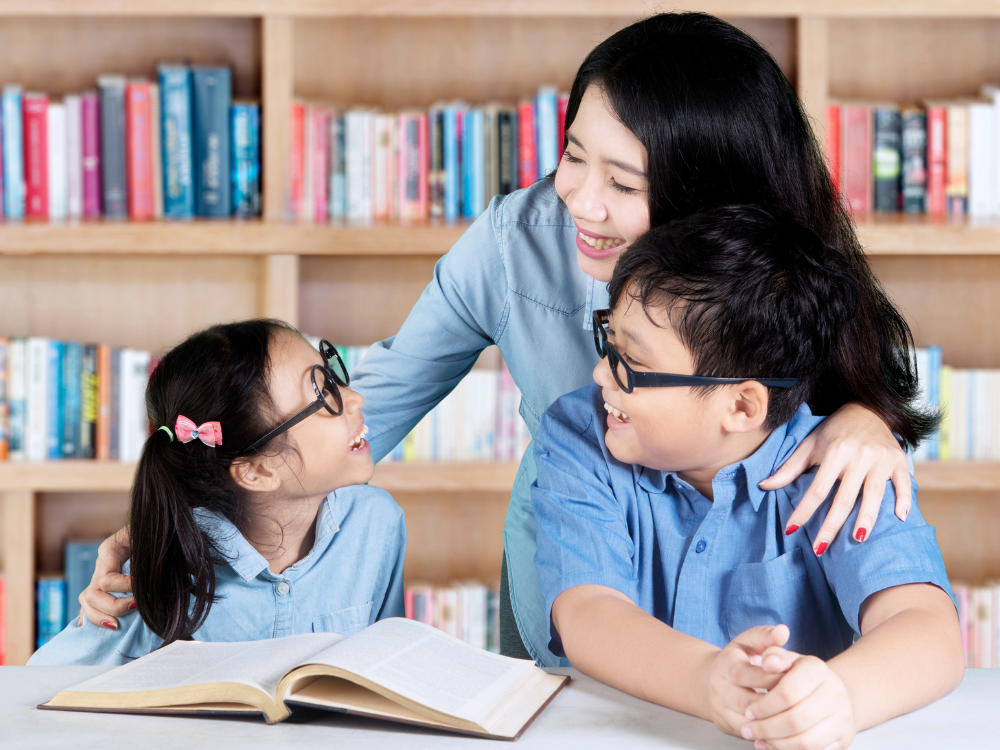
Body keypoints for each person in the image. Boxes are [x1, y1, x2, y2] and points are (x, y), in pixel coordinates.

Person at [81, 13, 922, 666]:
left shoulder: (773, 267)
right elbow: (370, 401)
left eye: (624, 183)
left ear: (712, 198)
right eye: (573, 157)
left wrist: (860, 417)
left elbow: (832, 405)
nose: (580, 202)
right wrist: (190, 509)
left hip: (759, 623)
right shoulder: (517, 241)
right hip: (576, 590)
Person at [533, 206, 963, 749]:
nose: (601, 375)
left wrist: (834, 699)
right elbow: (588, 612)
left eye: (630, 364)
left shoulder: (841, 464)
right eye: (608, 341)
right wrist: (710, 680)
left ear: (741, 405)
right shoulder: (581, 435)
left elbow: (928, 629)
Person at [30, 320, 404, 665]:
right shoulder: (167, 570)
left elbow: (389, 671)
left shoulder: (377, 523)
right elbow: (34, 690)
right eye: (323, 393)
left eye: (333, 377)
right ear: (256, 471)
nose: (355, 398)